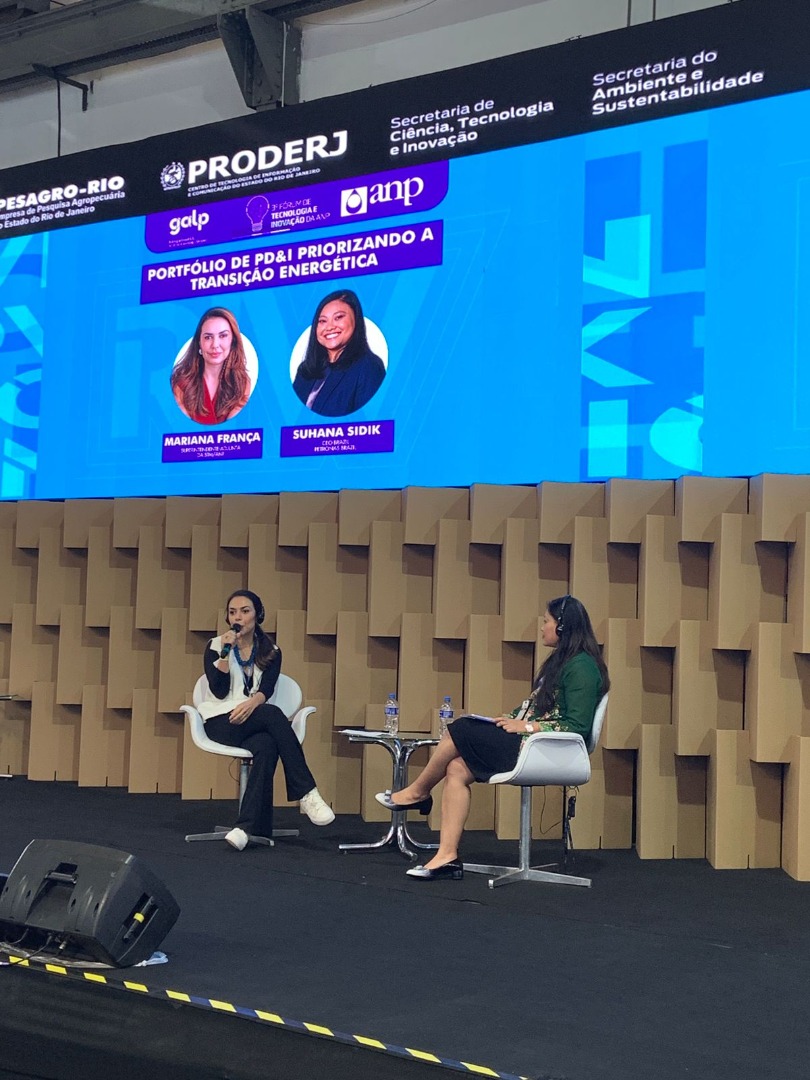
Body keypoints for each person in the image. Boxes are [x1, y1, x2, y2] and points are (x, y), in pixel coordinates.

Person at [376, 595, 609, 880]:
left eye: (546, 621)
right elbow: (535, 709)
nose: (542, 627)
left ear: (562, 626)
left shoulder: (582, 667)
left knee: (461, 728)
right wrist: (505, 720)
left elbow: (578, 726)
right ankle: (447, 856)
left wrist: (526, 727)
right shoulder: (562, 662)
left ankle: (418, 792)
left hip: (547, 750)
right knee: (457, 767)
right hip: (531, 743)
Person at [199, 589, 335, 850]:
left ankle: (245, 827)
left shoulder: (271, 650)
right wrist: (225, 653)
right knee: (272, 714)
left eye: (245, 611)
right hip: (221, 721)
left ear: (257, 615)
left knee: (267, 745)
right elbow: (218, 690)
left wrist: (252, 703)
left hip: (252, 719)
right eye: (232, 612)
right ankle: (307, 792)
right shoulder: (215, 646)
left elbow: (268, 688)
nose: (238, 617)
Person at [292, 289, 385, 416]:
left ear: (356, 319)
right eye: (322, 321)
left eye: (338, 317)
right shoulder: (306, 369)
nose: (330, 327)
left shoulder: (369, 367)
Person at [171, 307, 252, 424]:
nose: (215, 345)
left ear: (233, 340)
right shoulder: (181, 382)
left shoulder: (242, 383)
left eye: (223, 336)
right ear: (199, 342)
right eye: (208, 337)